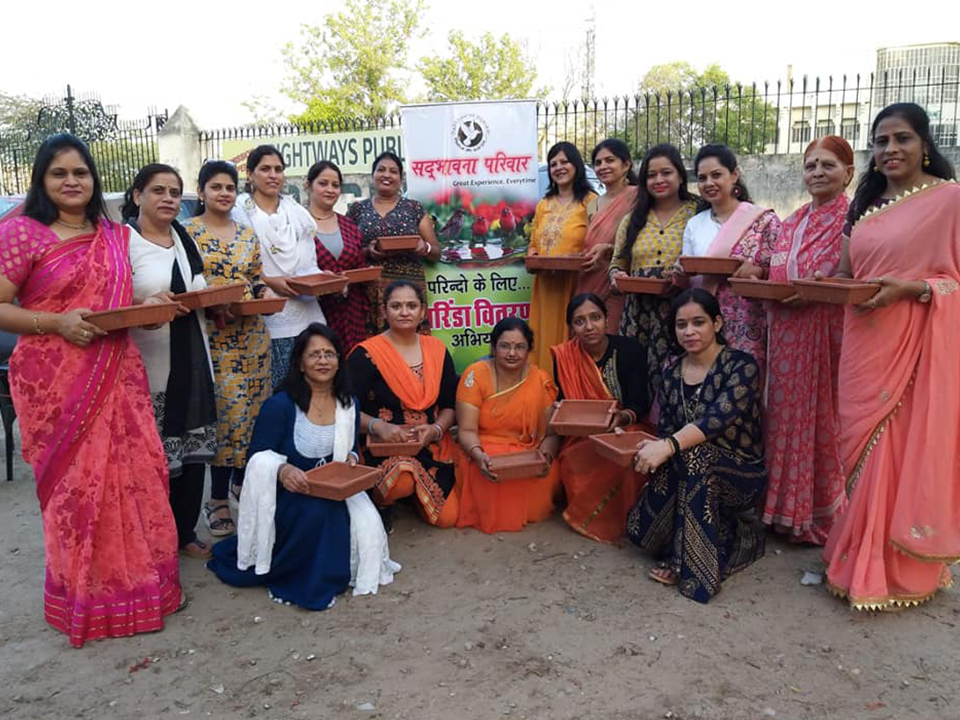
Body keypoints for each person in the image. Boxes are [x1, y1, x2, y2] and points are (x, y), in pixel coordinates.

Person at [0, 134, 181, 647]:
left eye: (80, 172)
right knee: (77, 491)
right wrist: (57, 323)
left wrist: (150, 307)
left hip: (118, 371)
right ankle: (86, 598)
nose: (71, 182)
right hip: (54, 380)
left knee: (138, 477)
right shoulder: (21, 232)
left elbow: (114, 305)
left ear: (94, 179)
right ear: (42, 179)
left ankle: (144, 589)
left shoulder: (111, 233)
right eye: (59, 173)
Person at [823, 103, 960, 611]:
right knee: (858, 449)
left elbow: (953, 282)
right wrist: (821, 285)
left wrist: (913, 288)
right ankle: (856, 553)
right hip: (863, 343)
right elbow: (848, 272)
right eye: (881, 141)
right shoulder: (867, 204)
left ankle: (894, 569)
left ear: (925, 144)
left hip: (915, 347)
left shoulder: (949, 200)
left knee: (895, 449)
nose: (890, 149)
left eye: (902, 138)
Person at [208, 323, 399, 607]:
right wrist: (283, 471)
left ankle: (335, 573)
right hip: (290, 492)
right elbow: (256, 457)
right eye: (314, 355)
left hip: (335, 488)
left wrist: (351, 459)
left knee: (364, 518)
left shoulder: (349, 404)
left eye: (329, 354)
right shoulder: (280, 406)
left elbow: (349, 449)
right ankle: (310, 579)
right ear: (300, 363)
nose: (323, 361)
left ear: (338, 361)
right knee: (318, 512)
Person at [626, 288, 766, 603]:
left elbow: (717, 420)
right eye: (681, 325)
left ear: (717, 323)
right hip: (688, 471)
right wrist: (646, 447)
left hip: (740, 475)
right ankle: (732, 533)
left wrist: (668, 445)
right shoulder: (672, 373)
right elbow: (667, 432)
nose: (689, 332)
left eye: (698, 322)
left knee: (695, 457)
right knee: (641, 532)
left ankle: (692, 570)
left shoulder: (741, 366)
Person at [762, 136, 854, 544]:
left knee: (822, 421)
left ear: (848, 173)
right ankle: (782, 511)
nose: (817, 172)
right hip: (785, 335)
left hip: (826, 335)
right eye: (811, 165)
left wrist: (819, 289)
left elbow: (857, 275)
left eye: (827, 165)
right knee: (782, 420)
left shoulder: (855, 219)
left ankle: (818, 516)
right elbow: (775, 267)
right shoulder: (794, 219)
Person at [124, 164, 218, 559]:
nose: (168, 199)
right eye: (158, 190)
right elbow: (108, 299)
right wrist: (143, 305)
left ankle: (185, 532)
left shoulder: (183, 238)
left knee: (192, 450)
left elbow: (198, 289)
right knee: (153, 456)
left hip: (193, 358)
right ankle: (153, 538)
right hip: (149, 366)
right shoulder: (123, 241)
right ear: (137, 196)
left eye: (174, 192)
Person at [184, 160, 272, 537]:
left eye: (230, 187)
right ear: (201, 191)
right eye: (216, 186)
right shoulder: (187, 232)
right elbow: (185, 284)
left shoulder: (248, 235)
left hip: (252, 338)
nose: (224, 193)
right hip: (213, 339)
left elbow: (255, 278)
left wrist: (264, 294)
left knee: (253, 417)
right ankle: (217, 498)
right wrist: (212, 302)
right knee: (226, 419)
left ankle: (240, 486)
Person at [348, 280, 459, 530]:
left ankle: (413, 496)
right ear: (384, 311)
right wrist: (378, 426)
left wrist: (436, 430)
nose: (404, 312)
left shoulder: (437, 350)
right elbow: (345, 408)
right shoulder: (366, 354)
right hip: (384, 446)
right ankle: (383, 503)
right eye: (396, 306)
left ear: (423, 311)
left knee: (448, 519)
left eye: (411, 306)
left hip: (429, 444)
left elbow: (449, 406)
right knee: (402, 479)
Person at [552, 293, 651, 543]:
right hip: (582, 433)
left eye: (595, 318)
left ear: (607, 319)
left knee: (627, 454)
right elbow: (564, 402)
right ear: (571, 328)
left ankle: (627, 519)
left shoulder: (629, 350)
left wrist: (622, 417)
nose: (589, 326)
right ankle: (590, 516)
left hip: (625, 427)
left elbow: (640, 402)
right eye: (580, 321)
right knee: (572, 460)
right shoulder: (564, 357)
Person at [680, 144, 780, 380]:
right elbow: (688, 272)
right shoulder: (695, 224)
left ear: (734, 175)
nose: (709, 183)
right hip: (705, 320)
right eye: (702, 178)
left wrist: (759, 270)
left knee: (745, 382)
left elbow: (780, 269)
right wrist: (677, 274)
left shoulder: (764, 220)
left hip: (750, 319)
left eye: (716, 175)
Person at [456, 317, 562, 533]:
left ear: (529, 349)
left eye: (520, 347)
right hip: (483, 451)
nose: (512, 353)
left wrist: (546, 458)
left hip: (528, 454)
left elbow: (551, 434)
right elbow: (466, 430)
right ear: (493, 347)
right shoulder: (476, 375)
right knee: (493, 466)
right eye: (505, 346)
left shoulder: (540, 379)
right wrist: (478, 455)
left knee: (546, 481)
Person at [232, 145, 326, 386]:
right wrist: (268, 282)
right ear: (250, 174)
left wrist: (322, 279)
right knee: (279, 391)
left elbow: (310, 262)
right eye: (265, 169)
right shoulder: (239, 213)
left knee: (312, 389)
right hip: (268, 316)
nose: (273, 175)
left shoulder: (296, 212)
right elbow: (237, 266)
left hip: (307, 313)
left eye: (278, 169)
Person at [609, 143, 698, 401]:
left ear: (680, 175)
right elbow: (617, 262)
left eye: (666, 173)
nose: (659, 180)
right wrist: (616, 276)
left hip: (680, 307)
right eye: (651, 175)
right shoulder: (633, 219)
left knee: (678, 372)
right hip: (638, 312)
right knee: (635, 373)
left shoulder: (699, 212)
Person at [346, 151, 440, 335]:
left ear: (401, 178)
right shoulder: (357, 209)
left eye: (393, 171)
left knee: (410, 341)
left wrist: (424, 248)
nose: (387, 175)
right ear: (373, 175)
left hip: (408, 290)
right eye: (381, 170)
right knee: (374, 345)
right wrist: (368, 251)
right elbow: (347, 253)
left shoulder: (414, 208)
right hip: (369, 291)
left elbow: (436, 252)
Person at [527, 142, 597, 377]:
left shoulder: (591, 201)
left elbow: (598, 241)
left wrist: (579, 256)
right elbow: (533, 244)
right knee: (544, 337)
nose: (559, 168)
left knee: (573, 335)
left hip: (575, 285)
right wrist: (533, 255)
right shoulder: (543, 205)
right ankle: (545, 386)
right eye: (553, 164)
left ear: (576, 165)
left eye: (565, 162)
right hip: (546, 286)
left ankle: (571, 389)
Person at [307, 160, 371, 354]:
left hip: (352, 314)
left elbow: (359, 265)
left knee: (353, 366)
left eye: (335, 185)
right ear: (308, 185)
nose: (330, 190)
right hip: (315, 312)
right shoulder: (298, 224)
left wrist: (365, 272)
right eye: (323, 183)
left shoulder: (349, 225)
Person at [576, 138, 638, 329]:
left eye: (610, 160)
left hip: (617, 279)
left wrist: (610, 249)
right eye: (598, 163)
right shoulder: (593, 203)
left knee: (612, 333)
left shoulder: (638, 196)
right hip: (590, 276)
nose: (603, 166)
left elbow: (644, 239)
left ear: (626, 164)